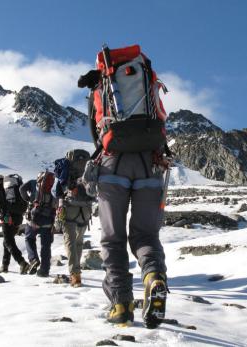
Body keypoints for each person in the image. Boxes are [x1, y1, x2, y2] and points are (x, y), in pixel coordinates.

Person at [78, 44, 171, 328]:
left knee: (112, 238)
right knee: (145, 236)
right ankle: (154, 276)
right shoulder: (147, 81)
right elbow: (161, 120)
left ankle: (120, 304)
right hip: (150, 163)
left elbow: (97, 132)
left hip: (113, 165)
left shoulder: (100, 89)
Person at [52, 149, 94, 287]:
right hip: (86, 208)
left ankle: (75, 275)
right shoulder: (88, 167)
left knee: (69, 241)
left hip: (70, 207)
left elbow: (57, 190)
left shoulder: (66, 167)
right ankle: (77, 270)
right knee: (79, 242)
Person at [0, 174, 30, 274]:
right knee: (7, 241)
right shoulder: (13, 186)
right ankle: (5, 265)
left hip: (7, 217)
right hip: (18, 217)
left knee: (8, 242)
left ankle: (22, 263)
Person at [19, 171, 57, 277]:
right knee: (46, 246)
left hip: (33, 220)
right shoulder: (52, 189)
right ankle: (44, 270)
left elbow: (21, 189)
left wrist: (28, 200)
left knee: (29, 238)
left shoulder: (33, 183)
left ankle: (33, 259)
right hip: (48, 222)